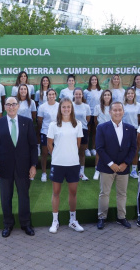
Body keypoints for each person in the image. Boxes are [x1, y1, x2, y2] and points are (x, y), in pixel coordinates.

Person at [0, 97, 38, 237]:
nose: (11, 107)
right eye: (8, 105)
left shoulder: (27, 122)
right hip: (5, 167)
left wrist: (34, 165)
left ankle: (26, 224)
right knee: (6, 197)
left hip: (24, 167)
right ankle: (8, 224)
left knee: (24, 196)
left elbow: (33, 146)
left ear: (18, 106)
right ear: (4, 107)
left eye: (14, 104)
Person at [96, 102, 136, 230]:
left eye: (120, 110)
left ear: (123, 112)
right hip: (107, 167)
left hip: (123, 168)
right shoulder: (102, 127)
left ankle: (121, 217)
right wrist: (111, 164)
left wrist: (125, 163)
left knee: (122, 194)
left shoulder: (130, 128)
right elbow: (100, 148)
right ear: (110, 112)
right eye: (115, 110)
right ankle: (102, 217)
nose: (117, 112)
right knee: (104, 193)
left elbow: (133, 148)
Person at [47, 98, 84, 234]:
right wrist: (57, 155)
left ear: (72, 109)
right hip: (57, 164)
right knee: (56, 193)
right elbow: (49, 144)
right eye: (64, 107)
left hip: (73, 164)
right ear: (60, 108)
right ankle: (55, 221)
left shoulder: (78, 124)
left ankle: (72, 221)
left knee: (73, 193)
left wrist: (70, 154)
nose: (66, 109)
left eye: (69, 107)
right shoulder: (53, 125)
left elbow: (78, 144)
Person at [37, 89, 59, 182]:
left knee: (57, 153)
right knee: (45, 153)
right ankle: (44, 173)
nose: (51, 96)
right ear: (47, 96)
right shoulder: (42, 107)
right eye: (49, 94)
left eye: (53, 94)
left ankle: (56, 172)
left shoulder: (59, 105)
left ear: (55, 95)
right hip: (45, 132)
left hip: (58, 133)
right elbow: (40, 121)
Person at [93, 90, 112, 180]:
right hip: (100, 132)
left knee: (111, 151)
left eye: (108, 95)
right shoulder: (98, 107)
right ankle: (97, 170)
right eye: (105, 95)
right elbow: (95, 120)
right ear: (102, 96)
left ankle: (110, 169)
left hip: (112, 132)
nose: (107, 96)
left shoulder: (113, 107)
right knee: (99, 151)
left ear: (111, 96)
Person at [73, 88, 91, 181]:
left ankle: (81, 173)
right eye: (76, 94)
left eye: (80, 94)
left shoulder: (86, 106)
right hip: (72, 130)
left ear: (82, 95)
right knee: (72, 152)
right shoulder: (70, 105)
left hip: (83, 130)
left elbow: (87, 119)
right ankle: (72, 172)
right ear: (74, 95)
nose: (78, 96)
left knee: (82, 152)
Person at [122, 87, 140, 179]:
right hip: (124, 130)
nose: (130, 95)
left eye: (132, 93)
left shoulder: (138, 105)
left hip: (135, 130)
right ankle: (124, 169)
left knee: (135, 150)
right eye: (128, 93)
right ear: (125, 95)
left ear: (134, 95)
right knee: (124, 150)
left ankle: (133, 170)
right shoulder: (122, 106)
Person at [84, 75, 103, 157]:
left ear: (97, 81)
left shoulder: (101, 91)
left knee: (95, 132)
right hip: (88, 114)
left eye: (95, 80)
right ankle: (86, 149)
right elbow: (84, 103)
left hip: (97, 114)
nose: (94, 81)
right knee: (87, 132)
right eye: (92, 80)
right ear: (90, 81)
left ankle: (93, 148)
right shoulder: (86, 91)